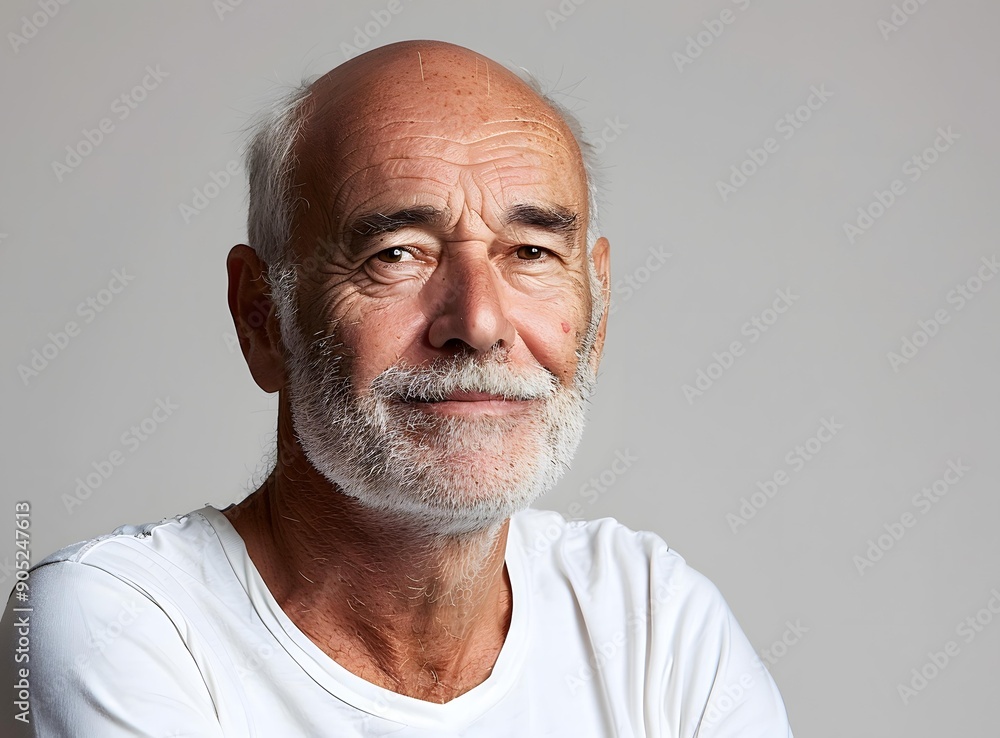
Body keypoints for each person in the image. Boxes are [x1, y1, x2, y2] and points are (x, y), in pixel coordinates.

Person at [2, 40, 793, 736]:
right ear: (261, 317)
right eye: (397, 253)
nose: (478, 322)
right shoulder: (117, 624)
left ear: (599, 311)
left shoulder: (651, 618)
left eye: (530, 252)